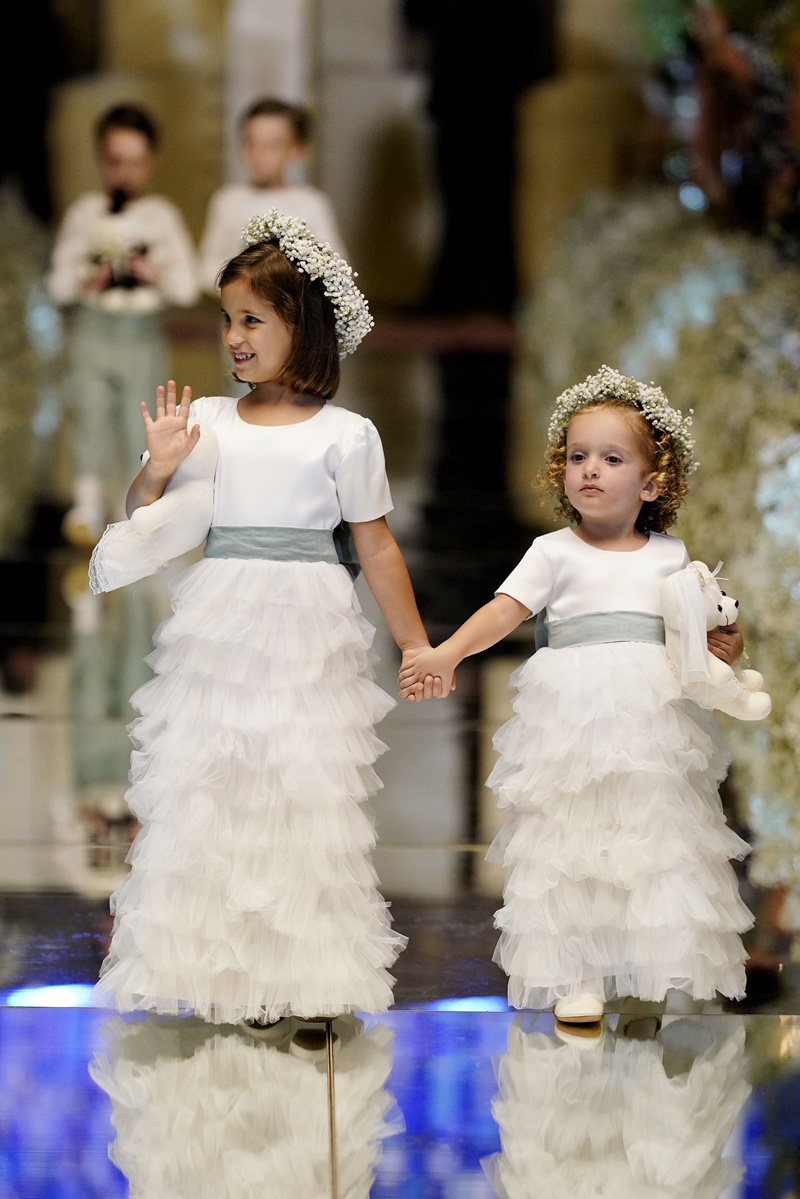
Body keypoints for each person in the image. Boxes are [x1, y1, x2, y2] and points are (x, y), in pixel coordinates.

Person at [89, 209, 437, 1050]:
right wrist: (160, 465)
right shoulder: (211, 418)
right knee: (225, 789)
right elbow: (146, 516)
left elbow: (376, 545)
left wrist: (417, 642)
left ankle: (307, 973)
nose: (234, 337)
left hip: (310, 625)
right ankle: (229, 970)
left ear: (302, 328)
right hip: (225, 623)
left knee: (302, 794)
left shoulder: (348, 436)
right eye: (227, 319)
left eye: (253, 320)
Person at [399, 364, 755, 1022]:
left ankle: (648, 965)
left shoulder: (670, 556)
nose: (589, 469)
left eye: (611, 458)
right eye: (578, 456)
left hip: (651, 718)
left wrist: (722, 646)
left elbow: (701, 622)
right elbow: (504, 611)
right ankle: (578, 972)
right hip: (572, 717)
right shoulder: (553, 551)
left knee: (649, 836)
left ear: (652, 482)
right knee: (575, 840)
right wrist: (447, 651)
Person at [47, 103, 200, 547]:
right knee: (88, 413)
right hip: (93, 330)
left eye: (136, 162)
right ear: (100, 159)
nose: (126, 173)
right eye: (116, 161)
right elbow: (58, 282)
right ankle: (87, 505)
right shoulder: (85, 213)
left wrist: (154, 272)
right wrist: (85, 278)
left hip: (140, 333)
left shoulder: (161, 217)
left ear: (151, 162)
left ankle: (132, 506)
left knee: (142, 418)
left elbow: (187, 287)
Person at [197, 97, 347, 298]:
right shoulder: (227, 201)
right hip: (239, 312)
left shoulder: (311, 203)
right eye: (251, 143)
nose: (260, 154)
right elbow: (207, 267)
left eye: (272, 145)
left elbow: (337, 269)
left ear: (297, 150)